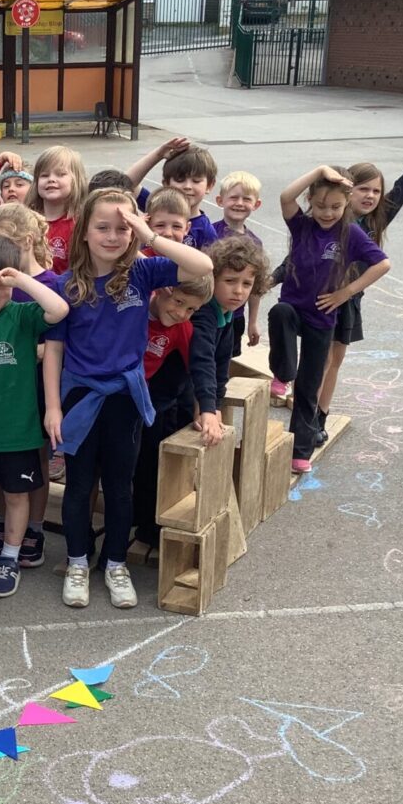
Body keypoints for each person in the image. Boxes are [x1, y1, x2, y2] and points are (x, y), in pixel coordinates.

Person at [42, 188, 213, 610]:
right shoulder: (67, 284)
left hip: (125, 396)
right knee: (79, 485)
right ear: (84, 232)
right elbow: (55, 351)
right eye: (102, 227)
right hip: (80, 396)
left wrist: (148, 235)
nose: (113, 236)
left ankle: (116, 563)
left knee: (120, 485)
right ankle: (78, 561)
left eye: (122, 228)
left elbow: (202, 266)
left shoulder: (143, 272)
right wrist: (53, 407)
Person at [0, 237, 70, 597]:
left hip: (19, 434)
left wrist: (20, 280)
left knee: (18, 498)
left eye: (0, 284)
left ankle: (9, 557)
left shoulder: (22, 316)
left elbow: (59, 309)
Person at [314, 137, 403, 444]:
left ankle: (320, 416)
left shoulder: (376, 220)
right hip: (323, 299)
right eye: (363, 189)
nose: (371, 196)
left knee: (335, 361)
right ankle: (306, 415)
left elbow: (401, 190)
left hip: (349, 300)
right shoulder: (332, 218)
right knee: (320, 361)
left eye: (376, 191)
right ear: (348, 191)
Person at [269, 165, 391, 472]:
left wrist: (345, 293)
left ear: (346, 203)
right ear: (310, 200)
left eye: (336, 207)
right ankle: (283, 372)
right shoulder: (302, 225)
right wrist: (318, 172)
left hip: (322, 317)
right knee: (279, 313)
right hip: (293, 308)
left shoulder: (351, 232)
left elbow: (382, 264)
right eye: (321, 206)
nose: (327, 213)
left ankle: (300, 451)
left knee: (309, 385)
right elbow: (285, 197)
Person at [0, 203, 60, 567]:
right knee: (1, 459)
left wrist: (35, 351)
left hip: (36, 387)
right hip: (0, 389)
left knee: (35, 459)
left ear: (26, 242)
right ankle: (3, 521)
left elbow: (57, 337)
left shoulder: (48, 285)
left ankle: (35, 527)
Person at [131, 273, 214, 550]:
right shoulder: (134, 307)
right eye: (178, 302)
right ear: (162, 289)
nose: (181, 313)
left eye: (191, 309)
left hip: (141, 403)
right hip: (108, 395)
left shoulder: (182, 328)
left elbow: (198, 367)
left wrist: (205, 410)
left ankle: (145, 523)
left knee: (146, 461)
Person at [189, 236, 272, 449]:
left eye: (247, 284)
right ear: (212, 278)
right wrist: (207, 409)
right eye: (230, 281)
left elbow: (221, 363)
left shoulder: (226, 312)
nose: (238, 291)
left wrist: (215, 405)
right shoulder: (203, 312)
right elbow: (202, 360)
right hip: (170, 391)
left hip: (191, 388)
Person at [212, 171, 267, 356]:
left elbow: (256, 287)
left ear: (256, 204)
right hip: (208, 312)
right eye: (233, 197)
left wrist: (253, 321)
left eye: (246, 199)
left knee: (226, 360)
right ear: (220, 200)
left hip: (235, 316)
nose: (239, 203)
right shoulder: (210, 233)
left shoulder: (256, 242)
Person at [25, 145, 87, 274]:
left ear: (76, 180)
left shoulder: (80, 223)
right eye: (44, 175)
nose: (51, 179)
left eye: (61, 174)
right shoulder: (25, 220)